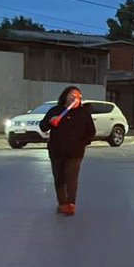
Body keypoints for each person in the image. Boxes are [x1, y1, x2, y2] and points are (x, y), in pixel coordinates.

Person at [40, 85, 95, 215]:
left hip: (75, 151)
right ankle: (62, 203)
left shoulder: (83, 113)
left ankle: (71, 204)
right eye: (73, 95)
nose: (76, 98)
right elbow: (43, 127)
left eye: (79, 96)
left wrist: (83, 142)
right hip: (56, 150)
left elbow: (91, 131)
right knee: (59, 177)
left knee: (72, 177)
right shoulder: (55, 110)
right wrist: (50, 121)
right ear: (66, 96)